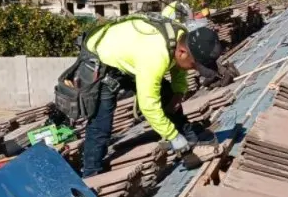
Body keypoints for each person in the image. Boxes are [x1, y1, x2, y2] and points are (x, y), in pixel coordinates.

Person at [77, 15, 222, 177]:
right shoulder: (155, 55)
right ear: (182, 52)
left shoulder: (181, 37)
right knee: (101, 122)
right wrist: (173, 137)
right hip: (101, 56)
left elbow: (178, 68)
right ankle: (91, 173)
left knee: (167, 93)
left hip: (131, 52)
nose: (193, 70)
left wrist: (178, 93)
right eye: (194, 66)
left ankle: (188, 137)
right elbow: (148, 105)